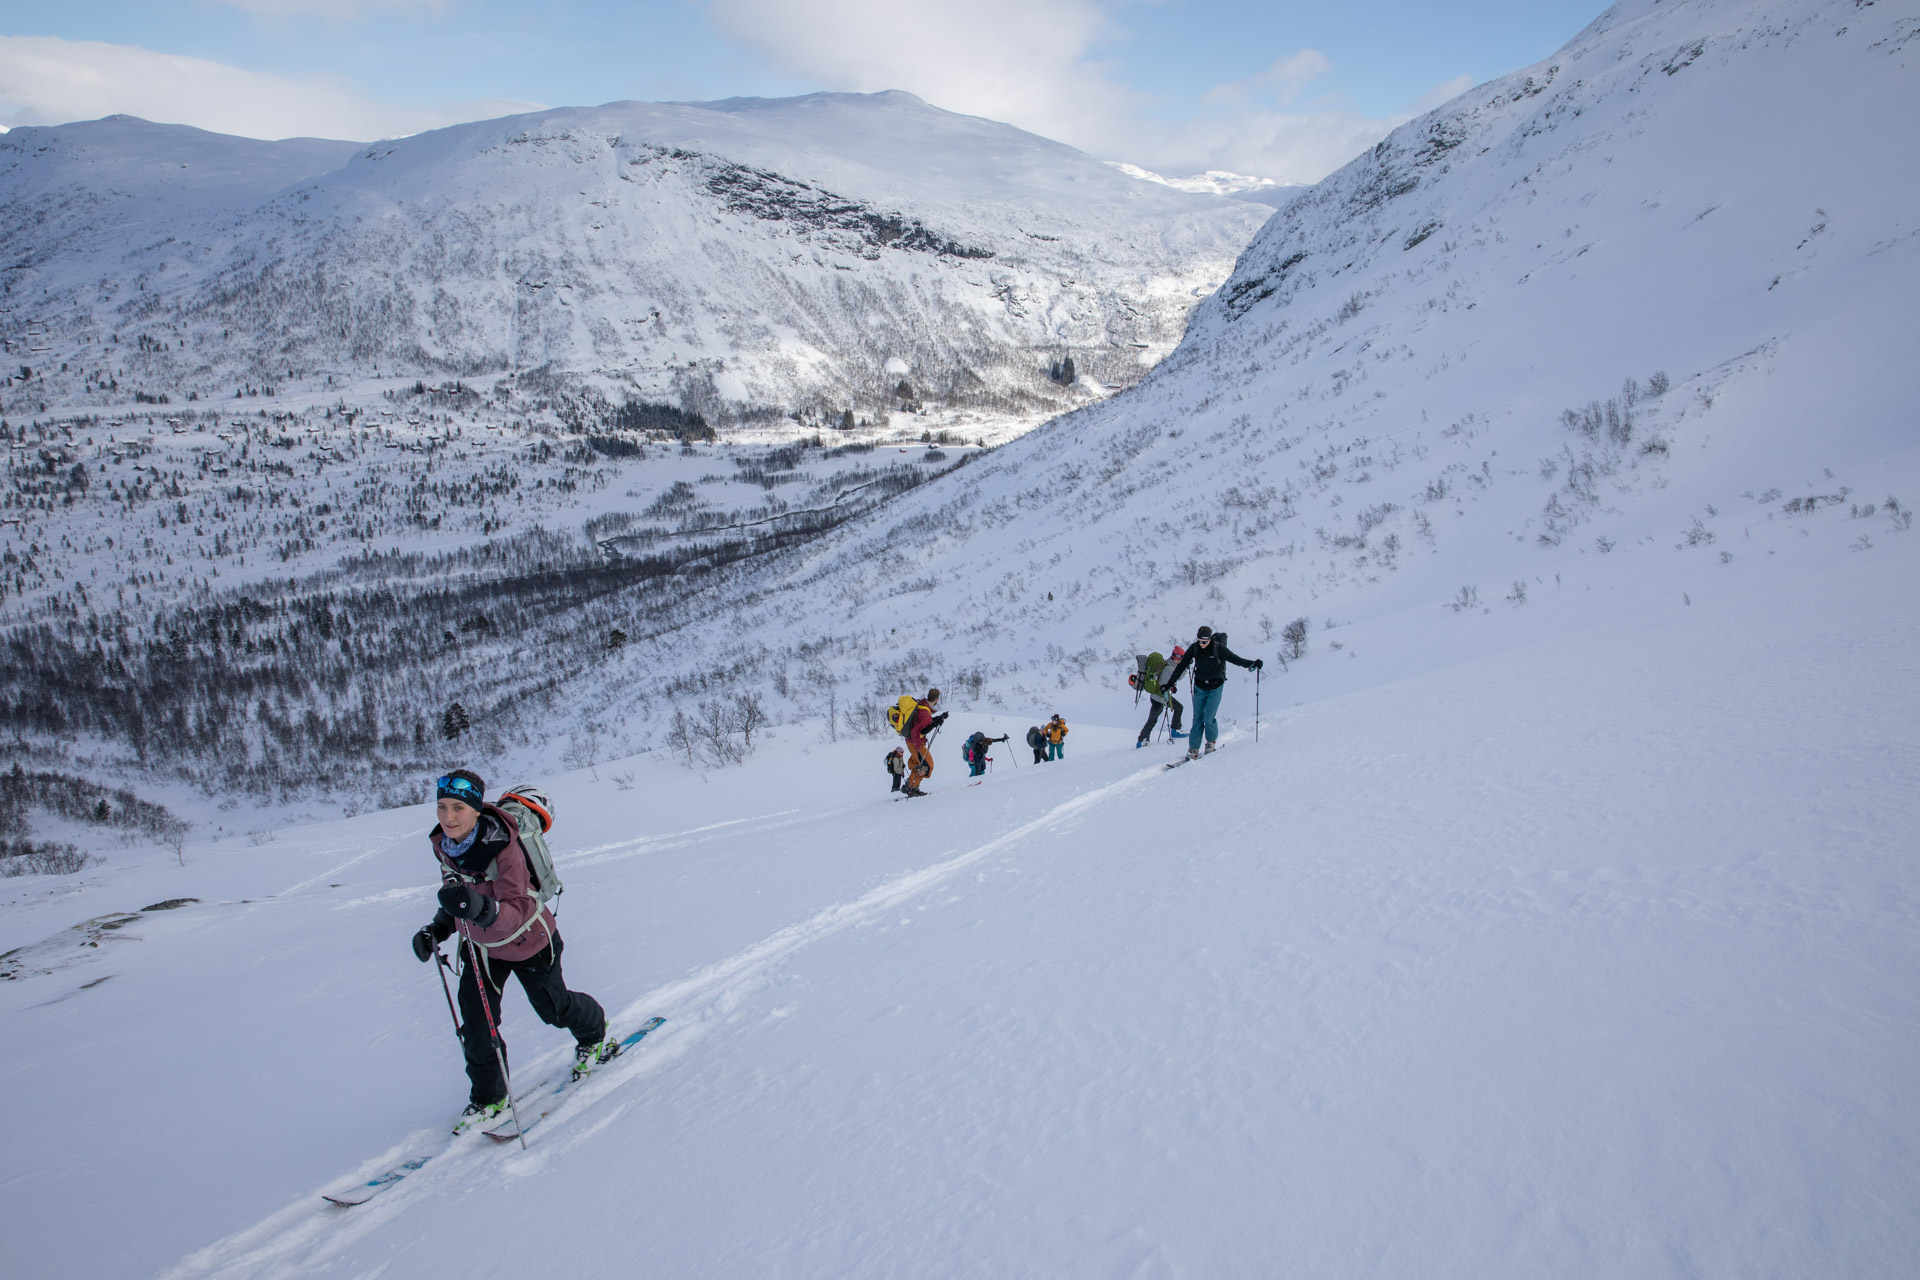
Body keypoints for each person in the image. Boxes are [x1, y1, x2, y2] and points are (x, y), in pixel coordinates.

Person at [410, 769, 619, 1129]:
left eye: (458, 807)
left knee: (554, 1009)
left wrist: (479, 910)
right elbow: (455, 895)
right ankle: (489, 1097)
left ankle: (595, 1035)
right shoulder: (445, 846)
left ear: (477, 809)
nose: (448, 817)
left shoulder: (503, 848)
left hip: (529, 942)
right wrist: (439, 928)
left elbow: (519, 907)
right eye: (442, 807)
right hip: (480, 948)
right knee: (476, 1024)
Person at [1163, 626, 1261, 760]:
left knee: (1208, 718)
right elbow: (1181, 667)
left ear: (1209, 640)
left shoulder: (1218, 648)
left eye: (1204, 642)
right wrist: (1169, 684)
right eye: (1199, 641)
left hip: (1216, 686)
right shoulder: (1194, 648)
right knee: (1197, 718)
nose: (1202, 644)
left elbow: (1235, 659)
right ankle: (1193, 748)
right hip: (1200, 687)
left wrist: (1252, 664)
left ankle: (1210, 743)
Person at [1133, 648, 1186, 748]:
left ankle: (1175, 730)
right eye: (1181, 659)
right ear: (1177, 658)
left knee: (1178, 708)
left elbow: (1167, 681)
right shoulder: (1170, 668)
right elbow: (1165, 683)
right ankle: (1142, 740)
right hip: (1159, 698)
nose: (1181, 661)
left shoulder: (1169, 664)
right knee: (1152, 720)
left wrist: (1172, 687)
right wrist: (1167, 697)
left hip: (1159, 696)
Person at [901, 688, 947, 797]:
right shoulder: (926, 712)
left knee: (919, 764)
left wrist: (938, 718)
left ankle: (912, 787)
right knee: (926, 766)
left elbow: (922, 722)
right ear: (937, 699)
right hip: (915, 743)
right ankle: (910, 788)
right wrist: (935, 724)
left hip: (911, 741)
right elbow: (920, 730)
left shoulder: (921, 705)